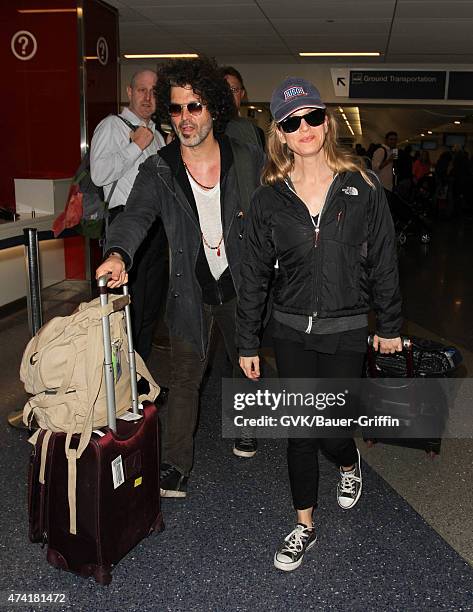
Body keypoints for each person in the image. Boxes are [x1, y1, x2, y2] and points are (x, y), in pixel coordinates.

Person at [236, 77, 402, 572]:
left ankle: (347, 462)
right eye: (291, 122)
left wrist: (389, 324)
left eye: (312, 117)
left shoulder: (363, 185)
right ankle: (303, 524)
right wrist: (247, 339)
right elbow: (254, 276)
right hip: (289, 331)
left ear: (326, 124)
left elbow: (386, 261)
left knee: (330, 429)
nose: (304, 128)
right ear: (280, 135)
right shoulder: (268, 199)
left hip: (348, 328)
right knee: (300, 431)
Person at [95, 57, 265, 498]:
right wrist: (118, 253)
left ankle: (245, 427)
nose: (185, 119)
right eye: (176, 109)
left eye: (194, 107)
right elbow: (136, 216)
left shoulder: (244, 157)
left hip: (239, 283)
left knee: (242, 363)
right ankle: (175, 464)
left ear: (213, 109)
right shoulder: (161, 168)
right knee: (186, 375)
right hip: (190, 286)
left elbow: (271, 210)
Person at [90, 70, 168, 361]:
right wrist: (136, 145)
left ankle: (141, 381)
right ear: (129, 91)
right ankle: (122, 386)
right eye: (141, 90)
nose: (147, 97)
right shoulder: (112, 126)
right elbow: (99, 175)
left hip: (156, 229)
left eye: (153, 91)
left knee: (150, 309)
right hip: (126, 225)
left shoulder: (158, 135)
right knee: (127, 310)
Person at [222, 66, 265, 149]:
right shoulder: (206, 131)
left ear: (242, 94)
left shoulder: (256, 133)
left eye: (234, 90)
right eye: (224, 90)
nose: (229, 95)